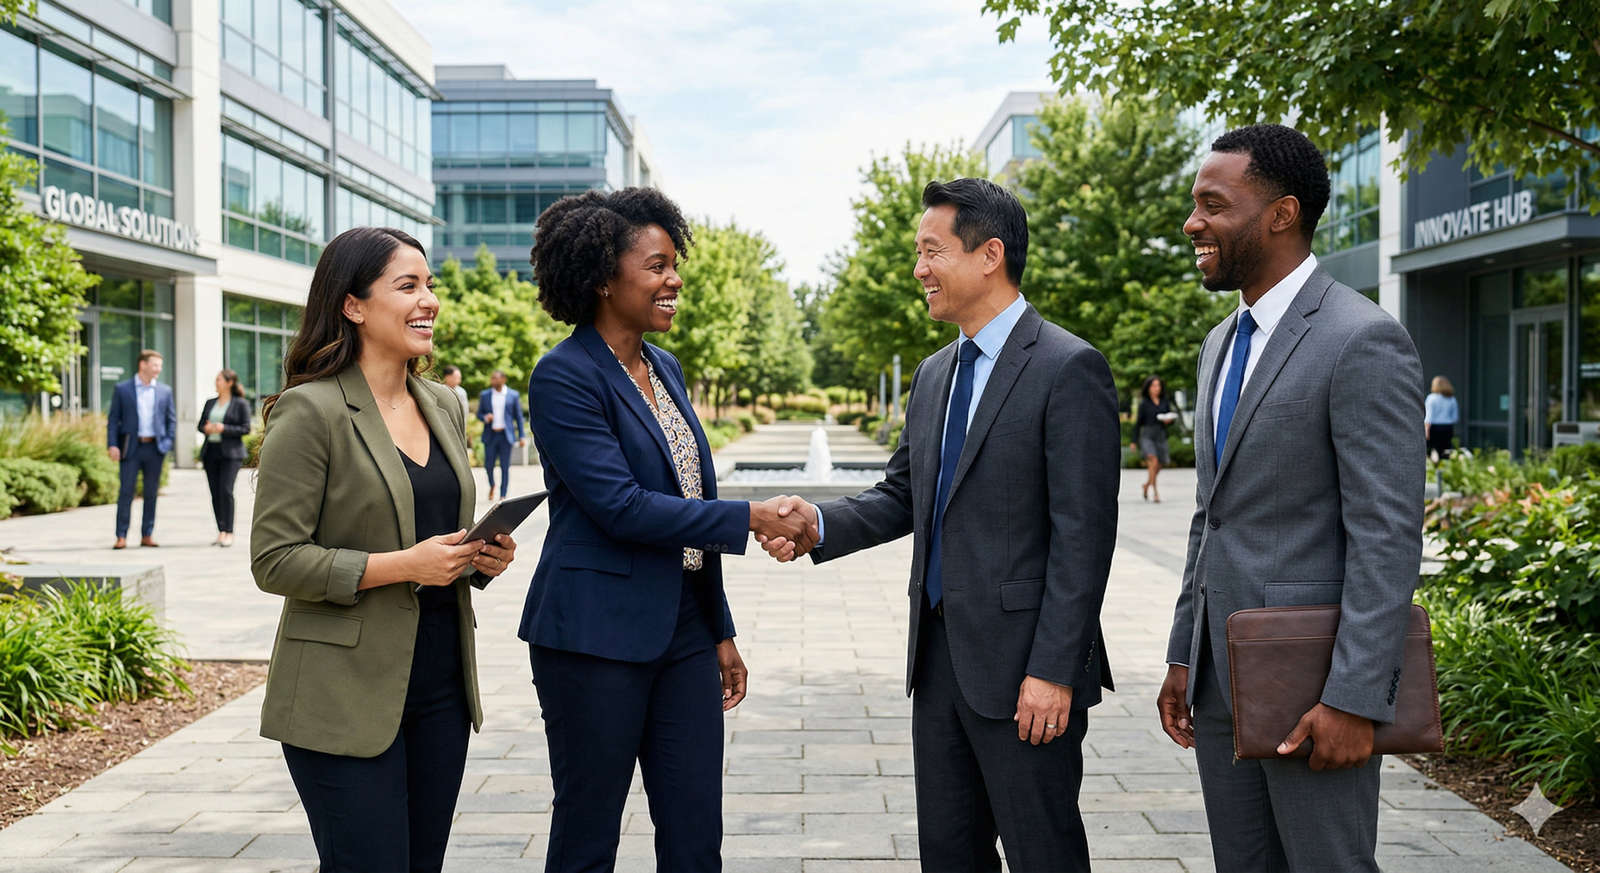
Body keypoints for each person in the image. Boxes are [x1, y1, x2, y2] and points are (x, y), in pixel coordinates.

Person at [761, 178, 1120, 872]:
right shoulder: (933, 375)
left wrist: (1052, 669)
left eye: (932, 251)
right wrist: (818, 524)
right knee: (949, 855)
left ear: (990, 255)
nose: (919, 268)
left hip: (1026, 675)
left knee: (1044, 854)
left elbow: (1085, 537)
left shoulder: (1068, 367)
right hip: (939, 666)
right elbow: (903, 494)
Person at [1155, 125, 1424, 872]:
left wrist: (1355, 696)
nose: (1192, 223)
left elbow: (1388, 534)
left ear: (1281, 214)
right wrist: (1185, 653)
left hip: (1313, 686)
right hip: (1219, 679)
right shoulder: (1219, 343)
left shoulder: (1361, 339)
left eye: (1213, 204)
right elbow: (1212, 514)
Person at [522, 187, 815, 872]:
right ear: (602, 280)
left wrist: (718, 626)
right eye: (656, 266)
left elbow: (687, 494)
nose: (674, 279)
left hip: (682, 627)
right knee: (588, 836)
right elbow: (622, 506)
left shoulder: (665, 368)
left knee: (694, 835)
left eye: (673, 265)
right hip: (593, 635)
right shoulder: (563, 377)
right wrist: (750, 516)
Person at [250, 226, 518, 873]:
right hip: (341, 695)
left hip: (440, 687)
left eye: (429, 284)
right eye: (408, 285)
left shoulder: (444, 403)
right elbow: (274, 558)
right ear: (353, 304)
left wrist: (480, 558)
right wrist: (406, 565)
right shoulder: (308, 411)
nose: (428, 299)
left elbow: (436, 531)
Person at [107, 349, 176, 549]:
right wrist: (112, 444)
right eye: (155, 365)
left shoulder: (164, 391)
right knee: (126, 492)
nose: (158, 370)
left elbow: (171, 420)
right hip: (130, 448)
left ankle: (147, 535)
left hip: (155, 448)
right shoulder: (123, 389)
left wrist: (166, 443)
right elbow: (113, 421)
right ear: (143, 365)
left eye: (160, 366)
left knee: (151, 493)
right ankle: (121, 536)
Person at [197, 369, 253, 547]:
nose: (216, 383)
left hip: (231, 454)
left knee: (226, 491)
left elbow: (245, 428)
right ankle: (221, 531)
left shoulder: (240, 404)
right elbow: (200, 425)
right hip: (211, 452)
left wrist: (224, 428)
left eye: (219, 380)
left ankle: (229, 532)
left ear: (229, 383)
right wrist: (206, 428)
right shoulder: (210, 403)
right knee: (215, 492)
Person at [477, 369, 526, 499]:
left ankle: (503, 495)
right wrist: (486, 417)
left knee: (505, 467)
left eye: (496, 378)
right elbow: (479, 414)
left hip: (506, 436)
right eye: (492, 378)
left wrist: (522, 436)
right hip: (491, 435)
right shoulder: (485, 395)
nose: (493, 381)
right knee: (488, 466)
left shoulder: (513, 395)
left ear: (503, 379)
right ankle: (492, 485)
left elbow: (519, 417)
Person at [1133, 375, 1177, 502]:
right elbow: (1138, 423)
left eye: (1158, 385)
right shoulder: (1144, 404)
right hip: (1147, 434)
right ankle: (1155, 493)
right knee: (1153, 460)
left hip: (1160, 434)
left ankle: (1146, 485)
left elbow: (1170, 417)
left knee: (1159, 465)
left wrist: (1169, 421)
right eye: (1153, 385)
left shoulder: (1164, 402)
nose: (1156, 388)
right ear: (1148, 388)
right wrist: (1134, 440)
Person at [1424, 375, 1458, 460]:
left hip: (1434, 428)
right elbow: (1455, 417)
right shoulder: (1451, 399)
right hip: (1447, 427)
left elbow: (1429, 415)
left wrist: (1426, 429)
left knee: (1433, 453)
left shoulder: (1431, 398)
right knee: (1446, 452)